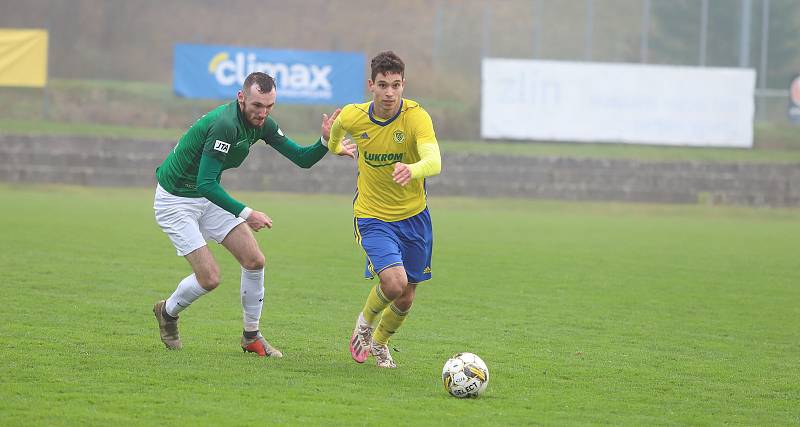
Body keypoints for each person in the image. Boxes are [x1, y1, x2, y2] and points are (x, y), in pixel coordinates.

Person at [152, 71, 355, 357]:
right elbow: (205, 183)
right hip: (176, 200)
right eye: (257, 105)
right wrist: (247, 213)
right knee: (209, 278)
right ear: (241, 97)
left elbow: (302, 158)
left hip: (205, 196)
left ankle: (251, 337)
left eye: (269, 106)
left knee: (254, 260)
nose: (262, 113)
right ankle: (168, 312)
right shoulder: (225, 124)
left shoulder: (263, 124)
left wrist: (324, 142)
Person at [326, 51, 442, 368]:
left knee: (405, 297)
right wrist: (334, 146)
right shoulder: (353, 115)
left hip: (415, 217)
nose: (389, 93)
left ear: (403, 84)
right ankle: (364, 325)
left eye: (396, 85)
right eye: (383, 85)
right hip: (373, 216)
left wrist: (414, 170)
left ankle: (380, 343)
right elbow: (335, 131)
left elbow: (435, 161)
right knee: (393, 283)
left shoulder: (416, 116)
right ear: (371, 85)